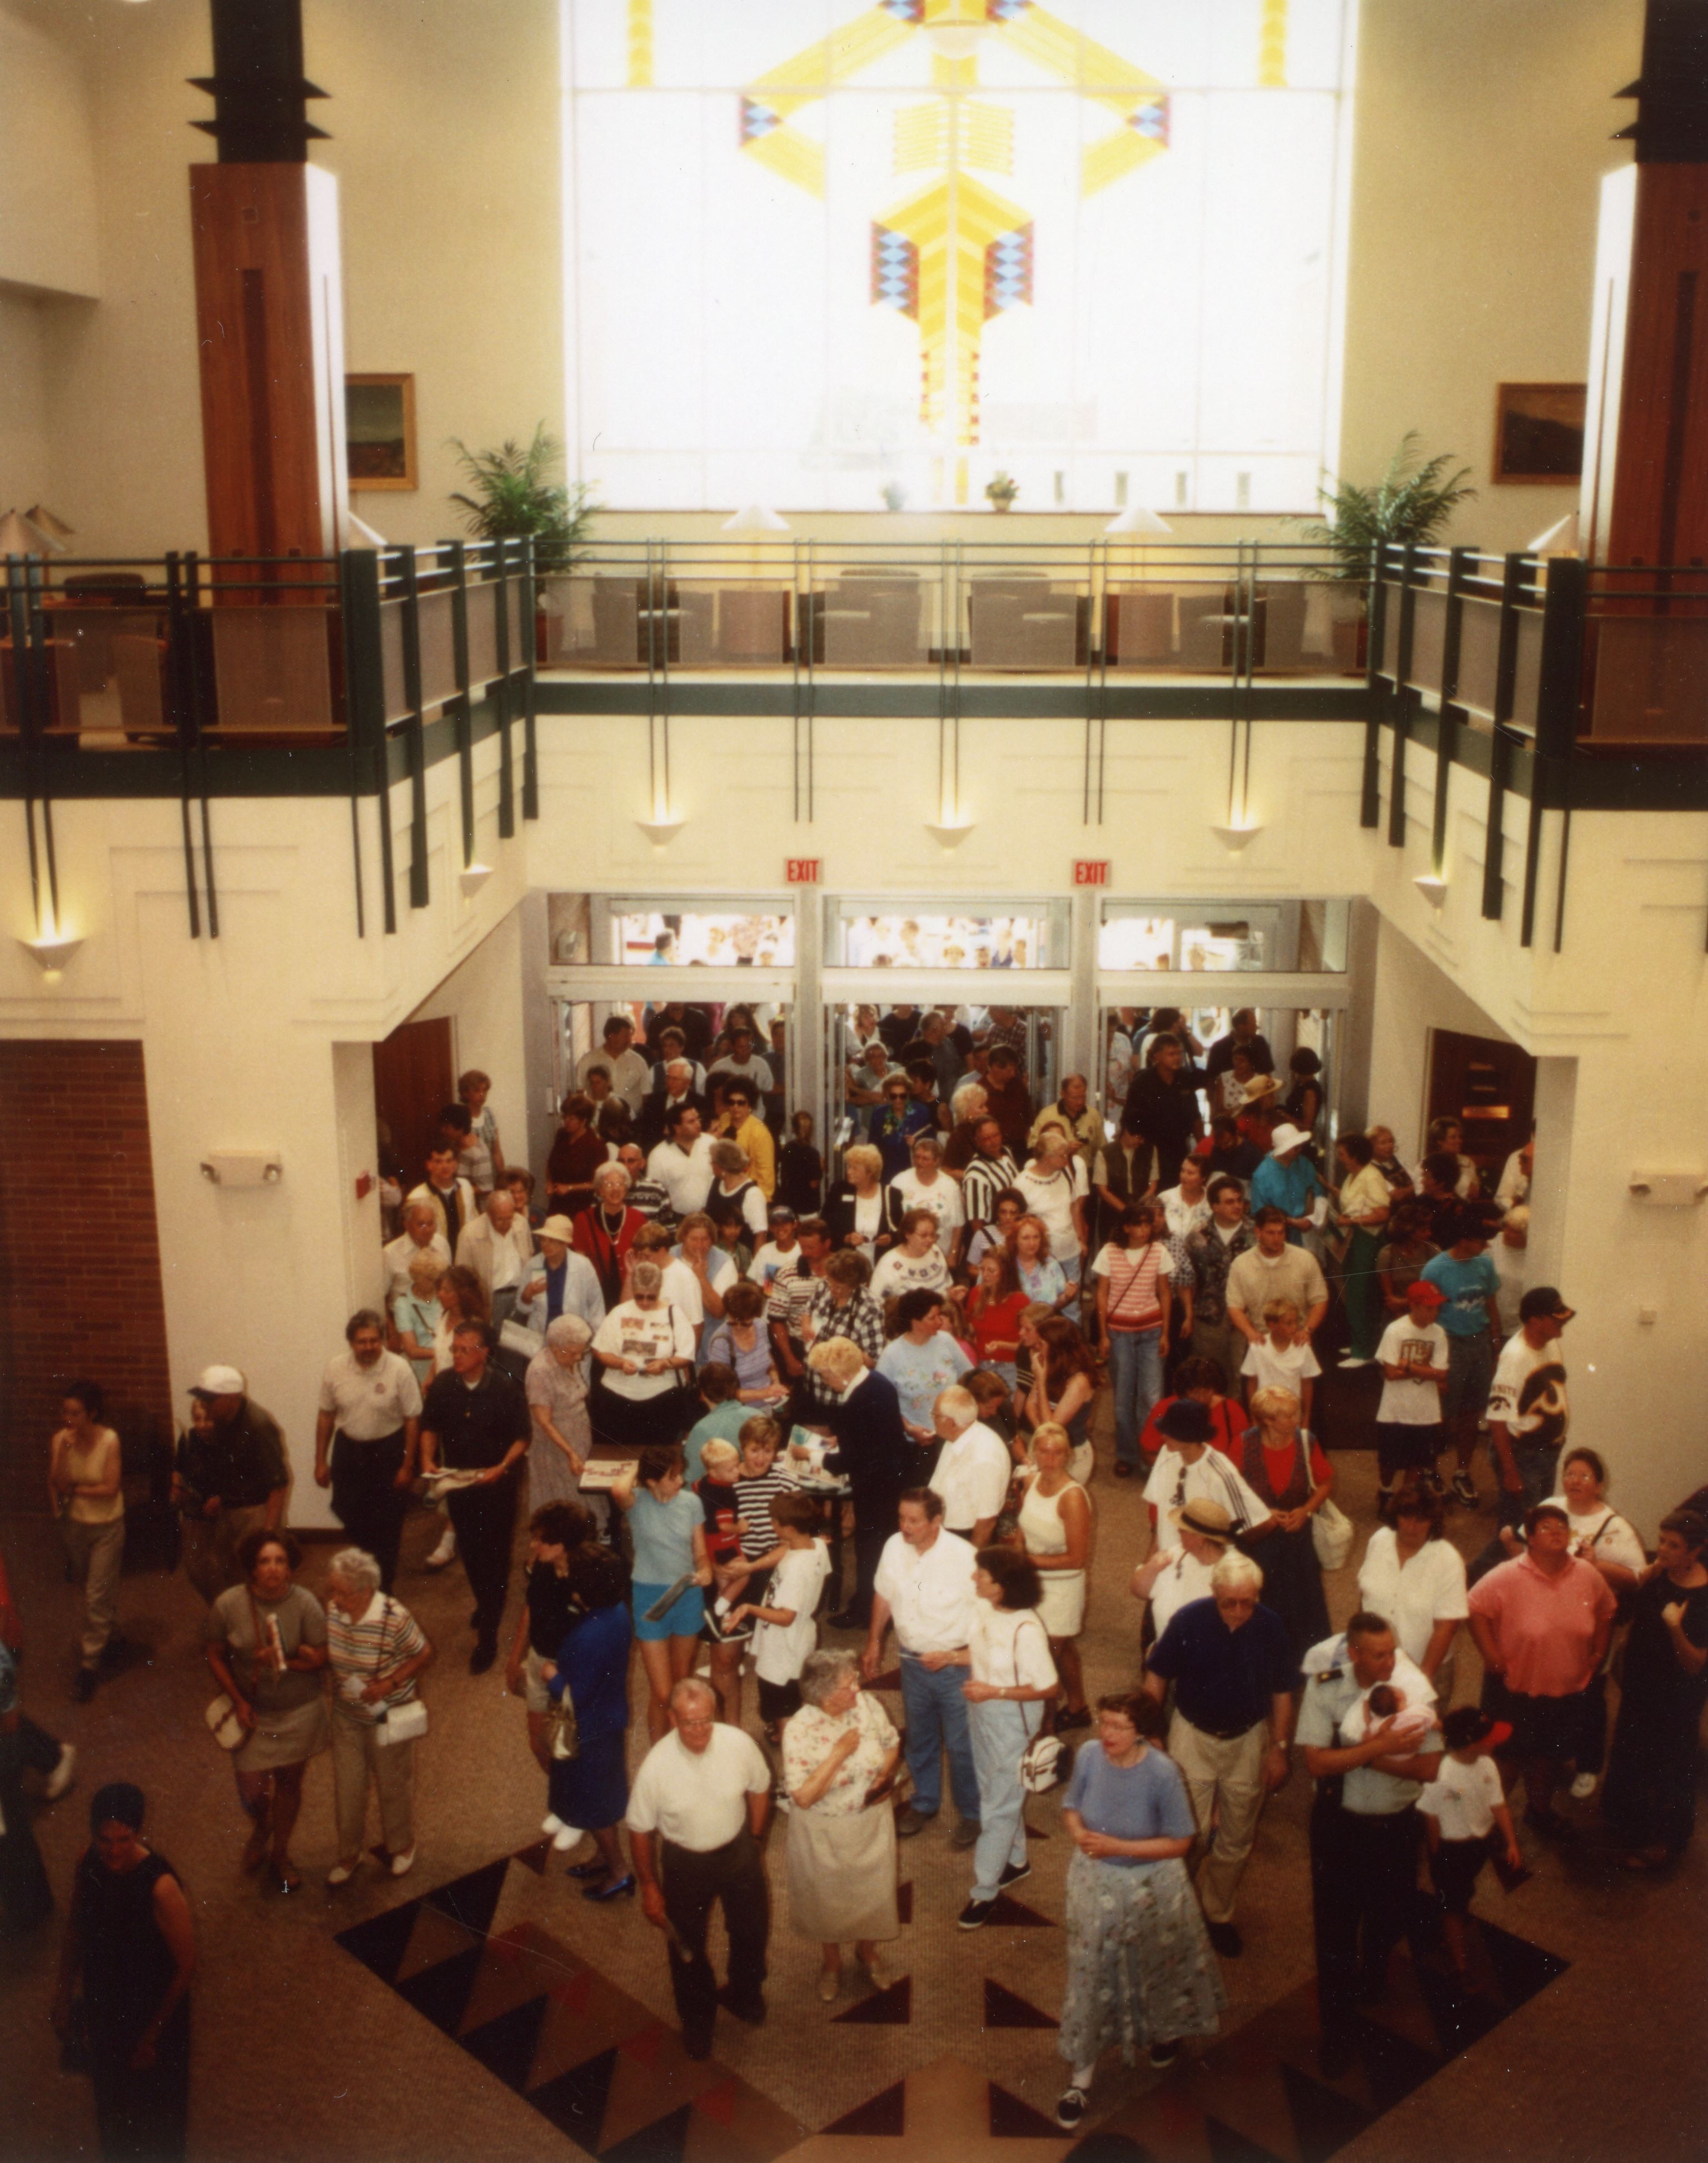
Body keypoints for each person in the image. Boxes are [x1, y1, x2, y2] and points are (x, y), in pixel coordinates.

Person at [1052, 1691, 1225, 2130]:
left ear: (1142, 1733)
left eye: (1117, 1727)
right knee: (1092, 1972)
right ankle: (1081, 2077)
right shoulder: (1090, 1754)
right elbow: (1071, 1806)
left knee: (1156, 1964)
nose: (1106, 1734)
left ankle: (1165, 2034)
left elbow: (1180, 1842)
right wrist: (1079, 1835)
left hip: (1151, 1884)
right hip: (1095, 1879)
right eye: (1103, 1723)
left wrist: (1116, 1846)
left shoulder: (1163, 1773)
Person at [1296, 1611, 1443, 2078]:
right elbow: (1316, 1764)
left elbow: (1428, 1769)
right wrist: (1376, 1749)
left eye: (1392, 1651)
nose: (1389, 1662)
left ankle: (1375, 1972)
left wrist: (1358, 1758)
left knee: (1388, 1913)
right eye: (1378, 1655)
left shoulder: (1415, 1692)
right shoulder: (1325, 1687)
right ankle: (1337, 2034)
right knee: (1334, 1933)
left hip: (1395, 1827)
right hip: (1338, 1826)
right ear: (1353, 1653)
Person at [1142, 1551, 1296, 1957]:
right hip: (1192, 1734)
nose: (1240, 1611)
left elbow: (1282, 1691)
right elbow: (1156, 1675)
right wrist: (1150, 1730)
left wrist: (1278, 1748)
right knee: (1184, 1832)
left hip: (1248, 1739)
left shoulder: (1271, 1626)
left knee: (1235, 1837)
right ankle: (1170, 1911)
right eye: (1230, 1602)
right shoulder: (1189, 1620)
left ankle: (1216, 1913)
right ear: (1214, 1593)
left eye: (1248, 1601)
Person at [626, 1677, 773, 2061]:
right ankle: (697, 2021)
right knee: (686, 1948)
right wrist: (649, 1886)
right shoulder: (656, 1766)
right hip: (685, 1862)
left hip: (738, 1851)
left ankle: (745, 1993)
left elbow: (760, 1788)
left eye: (706, 1719)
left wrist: (756, 1841)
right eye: (690, 1722)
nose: (699, 1731)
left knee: (751, 1930)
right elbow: (639, 1830)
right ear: (673, 1719)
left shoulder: (738, 1743)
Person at [52, 1784, 195, 2163]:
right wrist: (63, 1993)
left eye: (124, 1839)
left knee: (157, 2115)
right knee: (112, 2104)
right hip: (106, 2000)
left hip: (153, 2011)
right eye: (104, 1839)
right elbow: (76, 1929)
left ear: (139, 1831)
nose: (113, 1851)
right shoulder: (88, 1862)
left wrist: (152, 2036)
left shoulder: (161, 1887)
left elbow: (185, 1967)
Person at [1467, 1502, 1616, 1838]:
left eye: (1562, 1527)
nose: (1556, 1532)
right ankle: (1489, 1823)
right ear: (1530, 1538)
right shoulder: (1508, 1574)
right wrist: (1490, 1653)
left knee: (1547, 1756)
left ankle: (1539, 1811)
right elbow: (1475, 1606)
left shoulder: (1586, 1574)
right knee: (1506, 1759)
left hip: (1564, 1689)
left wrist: (1599, 1652)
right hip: (1513, 1688)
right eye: (1546, 1527)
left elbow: (1608, 1610)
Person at [928, 1547, 1059, 1928]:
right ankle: (1016, 1861)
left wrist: (995, 1693)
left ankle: (984, 1890)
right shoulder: (986, 1609)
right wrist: (951, 1658)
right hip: (981, 1707)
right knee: (995, 1790)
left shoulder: (1027, 1629)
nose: (974, 1579)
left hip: (1011, 1719)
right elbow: (983, 1650)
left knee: (998, 1805)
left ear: (1002, 1586)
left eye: (981, 1575)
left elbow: (1050, 1688)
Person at [203, 1529, 328, 1893]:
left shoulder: (306, 1605)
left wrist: (285, 1660)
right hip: (253, 1711)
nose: (273, 1569)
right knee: (253, 1793)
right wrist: (239, 1701)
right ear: (252, 1569)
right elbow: (213, 1653)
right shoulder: (228, 1605)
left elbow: (322, 1659)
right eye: (264, 1562)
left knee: (290, 1783)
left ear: (290, 1569)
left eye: (280, 1561)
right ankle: (262, 1826)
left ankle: (281, 1854)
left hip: (299, 1709)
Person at [781, 1649, 903, 2000]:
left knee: (873, 1895)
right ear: (825, 1695)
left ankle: (868, 1953)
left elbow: (891, 1744)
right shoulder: (799, 1730)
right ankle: (831, 1963)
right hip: (823, 1831)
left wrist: (884, 1777)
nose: (858, 1688)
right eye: (849, 1685)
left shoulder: (867, 1705)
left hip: (870, 1821)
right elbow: (803, 1797)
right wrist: (838, 1754)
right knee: (827, 1902)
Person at [863, 1489, 982, 1846]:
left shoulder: (965, 1558)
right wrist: (874, 1641)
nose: (905, 1527)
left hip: (955, 1666)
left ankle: (973, 1814)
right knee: (920, 1736)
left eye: (914, 1520)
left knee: (962, 1746)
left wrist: (961, 1657)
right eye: (901, 1518)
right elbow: (887, 1593)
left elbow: (990, 1614)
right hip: (912, 1663)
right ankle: (925, 1802)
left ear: (936, 1522)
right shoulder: (895, 1548)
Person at [417, 1319, 531, 1672]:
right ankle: (486, 1601)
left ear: (485, 1353)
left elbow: (522, 1437)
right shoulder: (445, 1385)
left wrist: (501, 1467)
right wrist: (426, 1458)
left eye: (465, 1350)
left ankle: (489, 1637)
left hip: (497, 1483)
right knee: (469, 1548)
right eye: (454, 1349)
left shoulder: (505, 1388)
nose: (457, 1356)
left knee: (495, 1557)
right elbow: (430, 1427)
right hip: (460, 1483)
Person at [1601, 1511, 1708, 1870]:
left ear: (1694, 1552)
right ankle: (1627, 1825)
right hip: (1641, 1687)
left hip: (1675, 1698)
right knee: (1632, 1753)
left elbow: (1694, 1664)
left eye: (1673, 1545)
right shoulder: (1658, 1572)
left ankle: (1663, 1846)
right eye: (1661, 1540)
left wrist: (1675, 1628)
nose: (1661, 1549)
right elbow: (1635, 1620)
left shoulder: (1703, 1596)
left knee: (1668, 1767)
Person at [323, 1546, 432, 1887]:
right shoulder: (334, 1611)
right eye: (333, 1590)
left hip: (389, 1714)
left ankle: (402, 1846)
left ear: (365, 1590)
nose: (334, 1600)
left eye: (341, 1592)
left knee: (392, 1785)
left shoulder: (393, 1617)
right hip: (347, 1714)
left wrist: (389, 1683)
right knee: (349, 1788)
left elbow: (423, 1652)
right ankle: (348, 1854)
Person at [787, 1335, 909, 1632]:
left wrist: (810, 1454)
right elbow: (874, 1432)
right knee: (879, 1547)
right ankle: (874, 1606)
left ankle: (867, 1612)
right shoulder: (878, 1383)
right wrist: (843, 1439)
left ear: (841, 1373)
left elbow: (849, 1461)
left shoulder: (857, 1402)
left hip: (875, 1485)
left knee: (870, 1551)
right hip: (892, 1477)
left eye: (826, 1375)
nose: (826, 1382)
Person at [540, 1543, 636, 1900]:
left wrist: (551, 1674)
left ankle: (619, 1871)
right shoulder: (617, 1613)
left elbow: (574, 1695)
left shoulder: (588, 1635)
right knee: (603, 1797)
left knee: (595, 1805)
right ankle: (603, 1857)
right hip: (608, 1718)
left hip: (589, 1729)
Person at [312, 1312, 421, 1593]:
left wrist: (408, 1466)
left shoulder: (399, 1368)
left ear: (382, 1341)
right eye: (362, 1342)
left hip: (389, 1450)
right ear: (351, 1342)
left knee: (388, 1523)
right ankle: (371, 1562)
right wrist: (320, 1461)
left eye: (374, 1341)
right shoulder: (335, 1368)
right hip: (349, 1451)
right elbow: (326, 1415)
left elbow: (412, 1418)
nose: (369, 1347)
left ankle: (383, 1587)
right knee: (347, 1512)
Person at [613, 1449, 713, 1741]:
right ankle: (659, 1752)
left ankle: (679, 1749)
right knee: (662, 1691)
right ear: (652, 1482)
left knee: (681, 1685)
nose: (681, 1480)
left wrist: (705, 1571)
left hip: (686, 1595)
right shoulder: (637, 1502)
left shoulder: (691, 1503)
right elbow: (618, 1488)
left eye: (680, 1473)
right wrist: (639, 1467)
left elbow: (700, 1553)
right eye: (673, 1476)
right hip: (649, 1598)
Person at [1418, 1707, 1523, 1978]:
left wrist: (1511, 1843)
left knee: (1462, 1893)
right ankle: (1461, 1966)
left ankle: (1450, 1923)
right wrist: (1436, 1852)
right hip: (1452, 1848)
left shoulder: (1487, 1764)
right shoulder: (1443, 1773)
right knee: (1454, 1906)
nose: (1495, 1741)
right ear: (1469, 1744)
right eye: (1489, 1737)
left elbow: (1498, 1806)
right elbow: (1430, 1816)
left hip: (1479, 1845)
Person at [172, 1366, 288, 1605]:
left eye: (210, 1399)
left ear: (232, 1398)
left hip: (255, 1511)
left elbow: (279, 1484)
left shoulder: (258, 1425)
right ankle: (235, 1622)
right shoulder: (221, 1419)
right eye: (203, 1397)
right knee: (226, 1571)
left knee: (258, 1576)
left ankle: (263, 1631)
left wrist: (267, 1535)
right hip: (229, 1509)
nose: (204, 1404)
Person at [1237, 1387, 1333, 1666]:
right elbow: (1232, 1488)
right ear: (1267, 1420)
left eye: (1296, 1413)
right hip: (1259, 1540)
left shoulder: (1307, 1441)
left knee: (1304, 1607)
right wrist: (1262, 1512)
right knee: (1261, 1601)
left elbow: (1325, 1482)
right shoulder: (1243, 1443)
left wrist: (1306, 1510)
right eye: (1289, 1415)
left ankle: (1304, 1666)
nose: (1297, 1419)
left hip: (1297, 1540)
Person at [1421, 1204, 1505, 1509]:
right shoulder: (1436, 1269)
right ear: (1464, 1238)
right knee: (1441, 1413)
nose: (1486, 1246)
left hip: (1479, 1343)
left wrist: (1495, 1343)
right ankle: (1430, 1470)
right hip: (1448, 1346)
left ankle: (1463, 1471)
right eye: (1481, 1240)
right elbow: (1425, 1317)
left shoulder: (1485, 1265)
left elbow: (1490, 1305)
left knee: (1472, 1412)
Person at [48, 1382, 125, 1702]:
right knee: (92, 1587)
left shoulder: (109, 1440)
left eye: (76, 1413)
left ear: (92, 1413)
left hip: (107, 1525)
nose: (69, 1419)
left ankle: (89, 1665)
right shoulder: (60, 1441)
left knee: (96, 1594)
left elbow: (110, 1488)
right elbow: (57, 1481)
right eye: (65, 1412)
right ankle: (108, 1632)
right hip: (75, 1525)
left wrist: (75, 1491)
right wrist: (64, 1452)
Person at [730, 1491, 831, 1731]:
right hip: (799, 1640)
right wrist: (752, 1567)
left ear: (790, 1529)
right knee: (789, 1699)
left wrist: (749, 1608)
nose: (772, 1525)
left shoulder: (796, 1570)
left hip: (784, 1648)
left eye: (775, 1522)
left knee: (782, 1705)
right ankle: (781, 1730)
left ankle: (791, 1749)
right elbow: (786, 1549)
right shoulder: (816, 1546)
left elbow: (786, 1617)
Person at [1014, 1423, 1093, 1728]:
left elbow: (1076, 1559)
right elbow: (1023, 1524)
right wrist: (1019, 1554)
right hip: (1033, 1582)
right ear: (1034, 1453)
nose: (1050, 1459)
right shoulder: (1032, 1481)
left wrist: (1025, 1562)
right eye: (1043, 1451)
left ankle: (1041, 1728)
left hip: (1062, 1589)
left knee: (1045, 1657)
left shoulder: (1072, 1497)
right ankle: (1078, 1707)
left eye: (1057, 1452)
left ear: (1067, 1456)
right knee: (1063, 1650)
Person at [1357, 1483, 1468, 1694]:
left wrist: (1420, 1682)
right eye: (1406, 1517)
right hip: (1374, 1663)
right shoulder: (1379, 1541)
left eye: (1421, 1520)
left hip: (1424, 1667)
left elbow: (1447, 1628)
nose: (1412, 1527)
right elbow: (1364, 1596)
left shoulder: (1449, 1560)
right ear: (1396, 1515)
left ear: (1433, 1522)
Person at [1092, 1200, 1174, 1477]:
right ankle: (1127, 1453)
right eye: (1138, 1224)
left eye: (1148, 1223)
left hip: (1151, 1330)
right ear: (1126, 1227)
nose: (1144, 1230)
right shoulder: (1109, 1252)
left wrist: (1165, 1332)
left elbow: (1164, 1293)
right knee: (1123, 1398)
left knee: (1152, 1397)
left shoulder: (1159, 1251)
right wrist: (1103, 1334)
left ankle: (1150, 1453)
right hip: (1120, 1333)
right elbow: (1102, 1295)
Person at [1484, 1285, 1574, 1531]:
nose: (1562, 1325)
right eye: (1556, 1320)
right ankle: (1477, 1571)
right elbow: (1497, 1418)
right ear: (1536, 1321)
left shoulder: (1550, 1343)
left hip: (1548, 1452)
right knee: (1519, 1532)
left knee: (1538, 1526)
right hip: (1524, 1455)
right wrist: (1510, 1471)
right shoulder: (1515, 1357)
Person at [590, 1259, 698, 1453]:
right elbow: (600, 1351)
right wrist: (620, 1363)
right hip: (618, 1397)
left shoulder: (675, 1314)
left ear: (659, 1289)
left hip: (660, 1397)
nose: (645, 1303)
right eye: (640, 1297)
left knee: (657, 1455)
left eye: (651, 1297)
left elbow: (687, 1354)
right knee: (618, 1453)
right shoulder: (619, 1312)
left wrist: (666, 1364)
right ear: (633, 1289)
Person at [1144, 1398, 1271, 1541]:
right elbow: (1159, 1522)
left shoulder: (1221, 1474)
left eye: (1172, 1433)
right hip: (1167, 1560)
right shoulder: (1166, 1454)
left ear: (1190, 1436)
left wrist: (1222, 1549)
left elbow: (1261, 1523)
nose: (1163, 1437)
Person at [1372, 1278, 1450, 1507]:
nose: (1434, 1312)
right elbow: (1390, 1373)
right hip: (1394, 1408)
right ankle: (1386, 1491)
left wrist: (1408, 1366)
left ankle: (1404, 1500)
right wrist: (1429, 1372)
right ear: (1414, 1306)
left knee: (1418, 1460)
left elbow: (1442, 1373)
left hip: (1425, 1409)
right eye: (1429, 1307)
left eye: (1437, 1307)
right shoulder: (1395, 1330)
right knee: (1388, 1461)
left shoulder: (1439, 1333)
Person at [524, 1313, 600, 1522]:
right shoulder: (541, 1372)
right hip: (557, 1448)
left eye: (582, 1351)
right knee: (563, 1501)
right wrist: (570, 1453)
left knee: (583, 1492)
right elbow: (544, 1421)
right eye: (575, 1353)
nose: (580, 1358)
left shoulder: (566, 1357)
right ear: (556, 1347)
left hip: (578, 1439)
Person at [1131, 1497, 1235, 1649]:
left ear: (1200, 1538)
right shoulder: (1178, 1553)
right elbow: (1138, 1591)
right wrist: (1152, 1568)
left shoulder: (1232, 1575)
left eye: (1183, 1529)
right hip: (1164, 1652)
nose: (1178, 1530)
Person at [1183, 1177, 1255, 1389]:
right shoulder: (1196, 1237)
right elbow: (1188, 1280)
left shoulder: (1256, 1234)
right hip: (1208, 1320)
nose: (1237, 1206)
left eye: (1239, 1200)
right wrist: (1189, 1314)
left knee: (1243, 1380)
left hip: (1246, 1318)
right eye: (1230, 1202)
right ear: (1215, 1206)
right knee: (1208, 1378)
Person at [1225, 1207, 1328, 1355]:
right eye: (1271, 1233)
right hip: (1261, 1340)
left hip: (1298, 1339)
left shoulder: (1305, 1259)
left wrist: (1307, 1330)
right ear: (1258, 1232)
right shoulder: (1240, 1265)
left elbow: (1320, 1300)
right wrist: (1250, 1333)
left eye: (1281, 1232)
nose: (1277, 1238)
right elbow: (1235, 1306)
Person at [877, 1289, 969, 1446]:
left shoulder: (946, 1342)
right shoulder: (891, 1355)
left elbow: (970, 1377)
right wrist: (908, 1428)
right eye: (933, 1318)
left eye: (940, 1316)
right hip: (915, 1441)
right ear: (915, 1321)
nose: (940, 1322)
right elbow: (880, 1403)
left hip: (953, 1436)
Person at [1331, 1132, 1393, 1365]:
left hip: (1368, 1240)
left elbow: (1383, 1214)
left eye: (1343, 1154)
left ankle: (1365, 1351)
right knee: (1354, 1292)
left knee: (1363, 1294)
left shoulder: (1371, 1176)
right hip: (1354, 1239)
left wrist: (1351, 1222)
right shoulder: (1352, 1176)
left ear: (1355, 1156)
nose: (1340, 1158)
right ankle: (1359, 1343)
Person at [927, 1385, 1013, 1545]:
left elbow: (986, 1523)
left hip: (966, 1538)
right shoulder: (955, 1437)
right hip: (944, 1534)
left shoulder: (984, 1457)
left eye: (935, 1415)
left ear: (950, 1422)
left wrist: (970, 1563)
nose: (932, 1418)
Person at [1014, 1130, 1090, 1310]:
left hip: (1070, 1251)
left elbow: (1074, 1206)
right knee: (1045, 1304)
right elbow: (1019, 1224)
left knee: (1072, 1305)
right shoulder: (1022, 1183)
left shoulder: (1064, 1173)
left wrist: (1081, 1240)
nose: (1066, 1158)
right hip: (1042, 1257)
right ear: (1047, 1157)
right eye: (1062, 1155)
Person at [1020, 1314, 1099, 1483]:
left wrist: (1041, 1381)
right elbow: (1029, 1406)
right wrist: (1041, 1435)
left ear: (1057, 1347)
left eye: (1041, 1344)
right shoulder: (1051, 1364)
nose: (1036, 1347)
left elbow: (1053, 1427)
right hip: (1045, 1447)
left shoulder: (1079, 1381)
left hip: (1071, 1455)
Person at [1137, 1355, 1246, 1467]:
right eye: (1195, 1393)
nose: (1202, 1399)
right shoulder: (1166, 1408)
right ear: (1183, 1392)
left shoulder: (1232, 1410)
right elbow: (1148, 1453)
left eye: (1207, 1391)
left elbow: (1244, 1455)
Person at [1121, 1032, 1203, 1173]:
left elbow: (1195, 1116)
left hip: (1179, 1148)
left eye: (1179, 1053)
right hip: (1148, 1150)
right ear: (1157, 1057)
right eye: (1172, 1054)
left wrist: (1202, 1146)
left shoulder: (1185, 1079)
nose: (1178, 1058)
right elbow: (1128, 1119)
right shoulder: (1142, 1082)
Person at [515, 1212, 606, 1338]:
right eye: (543, 1240)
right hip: (541, 1336)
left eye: (552, 1241)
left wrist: (592, 1339)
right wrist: (527, 1296)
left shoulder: (583, 1266)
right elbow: (523, 1308)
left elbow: (597, 1307)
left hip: (574, 1340)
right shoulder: (533, 1265)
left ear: (565, 1243)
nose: (545, 1245)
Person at [455, 1187, 537, 1323]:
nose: (506, 1224)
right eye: (500, 1220)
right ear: (489, 1214)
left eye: (509, 1218)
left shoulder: (521, 1224)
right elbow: (462, 1278)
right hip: (491, 1300)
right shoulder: (470, 1234)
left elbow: (530, 1257)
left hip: (520, 1295)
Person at [1240, 1297, 1321, 1428]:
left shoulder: (1303, 1347)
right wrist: (1254, 1417)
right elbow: (1252, 1384)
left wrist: (1306, 1420)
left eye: (1296, 1322)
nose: (1295, 1327)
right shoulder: (1258, 1347)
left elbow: (1307, 1385)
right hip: (1265, 1413)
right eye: (1289, 1323)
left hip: (1292, 1413)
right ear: (1272, 1325)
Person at [890, 1131, 965, 1264]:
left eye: (925, 1159)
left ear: (937, 1161)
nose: (920, 1162)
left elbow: (958, 1225)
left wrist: (953, 1255)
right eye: (917, 1157)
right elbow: (893, 1224)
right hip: (909, 1255)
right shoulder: (899, 1182)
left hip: (941, 1255)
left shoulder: (950, 1186)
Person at [1249, 1123, 1328, 1244]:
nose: (1300, 1150)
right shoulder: (1262, 1175)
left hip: (1307, 1231)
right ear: (1284, 1149)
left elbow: (1320, 1193)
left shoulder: (1304, 1164)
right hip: (1276, 1233)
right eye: (1295, 1148)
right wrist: (1291, 1222)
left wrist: (1313, 1219)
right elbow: (1260, 1211)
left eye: (1300, 1146)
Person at [960, 1244, 1027, 1387]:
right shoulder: (976, 1293)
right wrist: (958, 1304)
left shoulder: (1020, 1301)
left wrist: (1002, 1345)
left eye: (991, 1271)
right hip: (980, 1362)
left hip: (1009, 1366)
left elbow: (1028, 1344)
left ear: (1005, 1273)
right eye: (982, 1269)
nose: (985, 1275)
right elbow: (968, 1329)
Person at [826, 1142, 903, 1257]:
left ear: (870, 1172)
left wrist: (891, 1239)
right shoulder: (839, 1190)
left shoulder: (892, 1194)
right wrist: (846, 1238)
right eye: (849, 1166)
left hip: (881, 1261)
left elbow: (904, 1231)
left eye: (854, 1168)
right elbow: (826, 1225)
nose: (849, 1172)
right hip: (848, 1261)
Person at [646, 1100, 716, 1224]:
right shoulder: (658, 1155)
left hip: (712, 1217)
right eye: (691, 1122)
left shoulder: (711, 1143)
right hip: (678, 1221)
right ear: (677, 1128)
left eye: (698, 1119)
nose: (698, 1124)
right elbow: (655, 1196)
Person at [408, 1135, 476, 1249]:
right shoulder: (417, 1197)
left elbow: (474, 1223)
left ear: (456, 1164)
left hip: (464, 1256)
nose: (445, 1166)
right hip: (434, 1257)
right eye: (438, 1162)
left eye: (449, 1161)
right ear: (429, 1165)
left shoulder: (465, 1187)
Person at [578, 1013, 650, 1118]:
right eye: (626, 1036)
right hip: (597, 1121)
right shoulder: (589, 1060)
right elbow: (580, 1092)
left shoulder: (638, 1061)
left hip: (629, 1122)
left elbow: (646, 1093)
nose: (630, 1040)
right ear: (612, 1037)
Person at [391, 1249, 445, 1387]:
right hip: (421, 1370)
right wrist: (444, 1353)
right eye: (431, 1279)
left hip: (446, 1366)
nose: (436, 1284)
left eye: (438, 1278)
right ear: (416, 1277)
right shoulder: (403, 1304)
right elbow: (412, 1350)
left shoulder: (443, 1298)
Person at [961, 1118, 1021, 1243]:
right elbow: (976, 1222)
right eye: (986, 1138)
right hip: (996, 1238)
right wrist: (991, 1249)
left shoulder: (1006, 1153)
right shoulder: (976, 1174)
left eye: (996, 1135)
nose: (993, 1142)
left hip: (1014, 1231)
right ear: (977, 1142)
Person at [714, 1081, 776, 1201]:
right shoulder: (724, 1120)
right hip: (723, 1187)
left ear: (750, 1105)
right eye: (732, 1102)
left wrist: (763, 1200)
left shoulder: (760, 1132)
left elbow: (766, 1173)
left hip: (747, 1193)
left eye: (741, 1103)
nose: (735, 1107)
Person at [382, 1200, 450, 1303]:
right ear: (407, 1225)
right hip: (404, 1315)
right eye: (421, 1224)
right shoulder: (389, 1253)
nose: (427, 1229)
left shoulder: (442, 1244)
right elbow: (381, 1297)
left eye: (431, 1224)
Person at [1010, 1210, 1071, 1318]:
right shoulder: (1005, 1264)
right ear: (1015, 1240)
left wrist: (1067, 1297)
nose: (1032, 1243)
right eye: (1026, 1238)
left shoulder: (1051, 1264)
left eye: (1036, 1237)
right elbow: (990, 1301)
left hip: (1045, 1325)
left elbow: (1056, 1305)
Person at [778, 1110, 824, 1217]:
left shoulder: (788, 1148)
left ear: (793, 1129)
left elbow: (784, 1173)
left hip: (790, 1202)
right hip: (808, 1206)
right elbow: (814, 1183)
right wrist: (821, 1168)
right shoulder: (813, 1153)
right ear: (811, 1130)